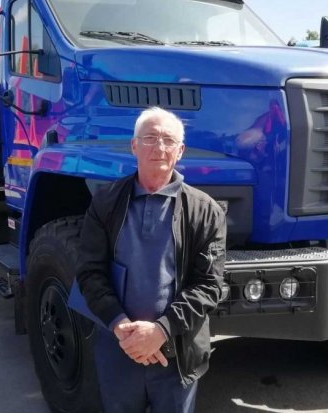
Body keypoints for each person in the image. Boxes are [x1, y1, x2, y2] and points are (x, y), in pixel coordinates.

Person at [77, 107, 227, 413]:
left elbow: (209, 285)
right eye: (149, 138)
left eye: (168, 140)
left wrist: (161, 331)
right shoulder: (105, 202)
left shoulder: (205, 211)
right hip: (119, 348)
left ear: (180, 151)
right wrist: (121, 327)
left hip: (176, 353)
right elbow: (89, 272)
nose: (159, 147)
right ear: (134, 146)